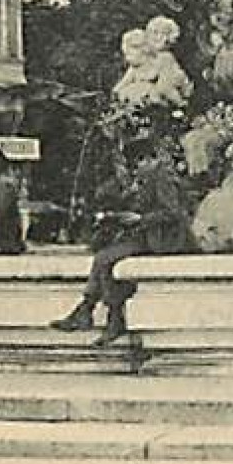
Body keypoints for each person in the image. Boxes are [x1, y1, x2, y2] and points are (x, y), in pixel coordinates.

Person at [50, 147, 194, 347]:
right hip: (147, 234)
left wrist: (140, 219)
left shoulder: (163, 177)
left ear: (150, 158)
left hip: (162, 239)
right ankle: (93, 311)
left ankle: (101, 314)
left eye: (138, 163)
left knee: (105, 259)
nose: (135, 169)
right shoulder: (149, 177)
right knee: (104, 257)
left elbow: (172, 213)